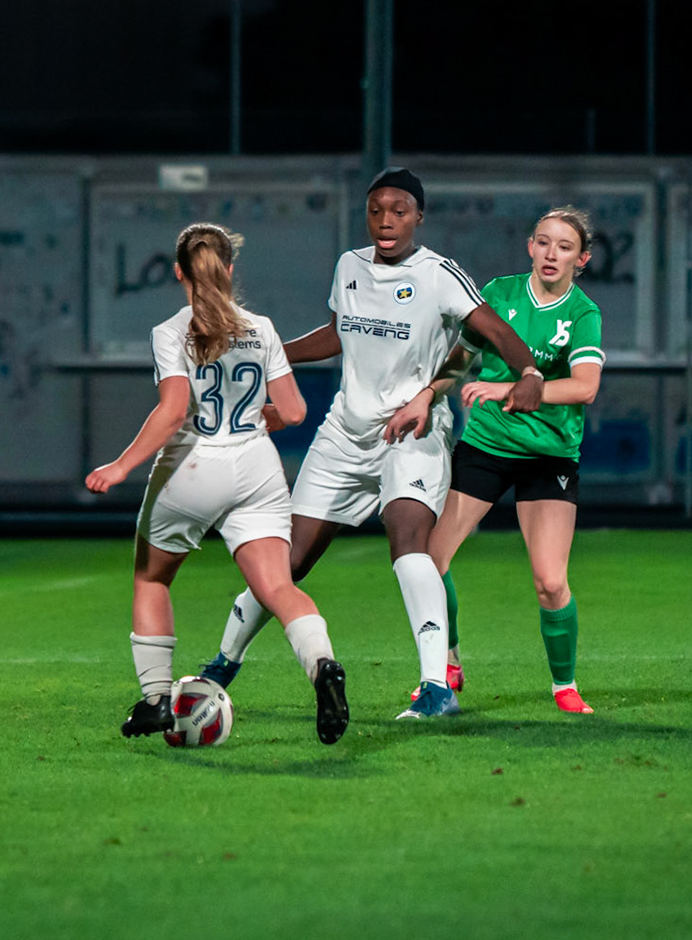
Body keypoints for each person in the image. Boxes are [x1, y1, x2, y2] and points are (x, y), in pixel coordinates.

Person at [197, 167, 546, 721]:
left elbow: (493, 329)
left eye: (399, 210)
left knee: (409, 542)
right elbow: (340, 332)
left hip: (412, 433)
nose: (386, 220)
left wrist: (527, 372)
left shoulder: (439, 274)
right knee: (286, 561)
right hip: (344, 433)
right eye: (376, 210)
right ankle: (222, 663)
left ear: (419, 217)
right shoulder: (349, 266)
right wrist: (268, 358)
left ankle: (437, 688)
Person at [85, 224, 350, 744]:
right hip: (256, 468)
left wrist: (120, 466)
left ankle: (157, 700)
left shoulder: (171, 331)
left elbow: (174, 411)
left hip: (194, 468)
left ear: (180, 272)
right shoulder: (263, 327)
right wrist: (258, 417)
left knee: (152, 580)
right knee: (277, 587)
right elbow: (295, 411)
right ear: (230, 270)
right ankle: (324, 669)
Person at [422, 207, 605, 713]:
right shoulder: (500, 294)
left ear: (581, 258)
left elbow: (585, 387)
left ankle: (564, 686)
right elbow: (461, 357)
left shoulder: (583, 313)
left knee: (550, 582)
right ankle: (446, 665)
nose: (551, 254)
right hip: (487, 446)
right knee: (429, 562)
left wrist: (514, 386)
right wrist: (428, 393)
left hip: (549, 455)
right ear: (530, 246)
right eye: (543, 242)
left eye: (564, 247)